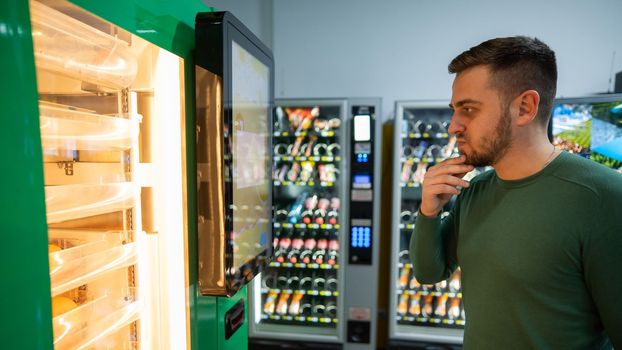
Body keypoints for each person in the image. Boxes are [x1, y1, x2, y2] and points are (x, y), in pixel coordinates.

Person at [410, 36, 622, 349]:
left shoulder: (603, 196)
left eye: (468, 109)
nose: (453, 126)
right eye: (455, 110)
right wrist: (429, 212)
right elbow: (429, 272)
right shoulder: (474, 189)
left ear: (525, 107)